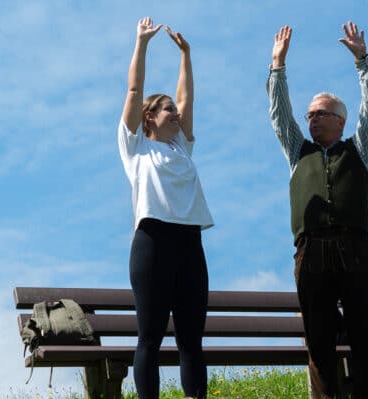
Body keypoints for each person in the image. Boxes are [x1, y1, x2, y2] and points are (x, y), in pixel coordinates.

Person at [267, 22, 368, 399]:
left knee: (364, 336)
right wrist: (277, 66)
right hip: (311, 253)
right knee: (318, 341)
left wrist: (362, 62)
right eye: (310, 115)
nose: (311, 118)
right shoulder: (296, 152)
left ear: (340, 121)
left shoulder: (359, 150)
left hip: (354, 250)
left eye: (320, 113)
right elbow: (279, 114)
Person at [118, 17, 213, 399]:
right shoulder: (136, 147)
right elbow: (134, 88)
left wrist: (186, 55)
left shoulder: (180, 147)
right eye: (167, 110)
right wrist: (142, 43)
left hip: (189, 242)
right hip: (152, 242)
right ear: (149, 118)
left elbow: (187, 98)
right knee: (151, 337)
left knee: (191, 339)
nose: (176, 113)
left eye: (176, 110)